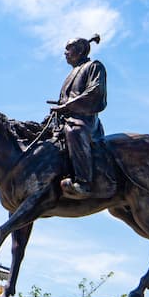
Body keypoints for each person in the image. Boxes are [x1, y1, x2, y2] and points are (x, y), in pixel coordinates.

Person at [48, 34, 106, 199]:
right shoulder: (73, 73)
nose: (65, 53)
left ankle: (84, 182)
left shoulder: (94, 66)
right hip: (63, 119)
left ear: (80, 50)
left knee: (75, 132)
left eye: (69, 48)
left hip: (84, 120)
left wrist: (67, 106)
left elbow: (95, 91)